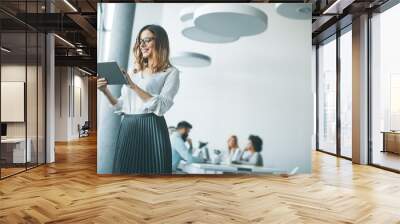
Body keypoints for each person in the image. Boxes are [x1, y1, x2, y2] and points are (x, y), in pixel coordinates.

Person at [97, 24, 179, 174]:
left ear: (160, 42)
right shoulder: (133, 71)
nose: (142, 45)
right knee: (124, 174)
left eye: (147, 40)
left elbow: (162, 106)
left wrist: (133, 86)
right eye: (140, 41)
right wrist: (105, 91)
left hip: (152, 127)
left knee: (153, 173)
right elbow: (121, 105)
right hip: (128, 126)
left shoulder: (171, 72)